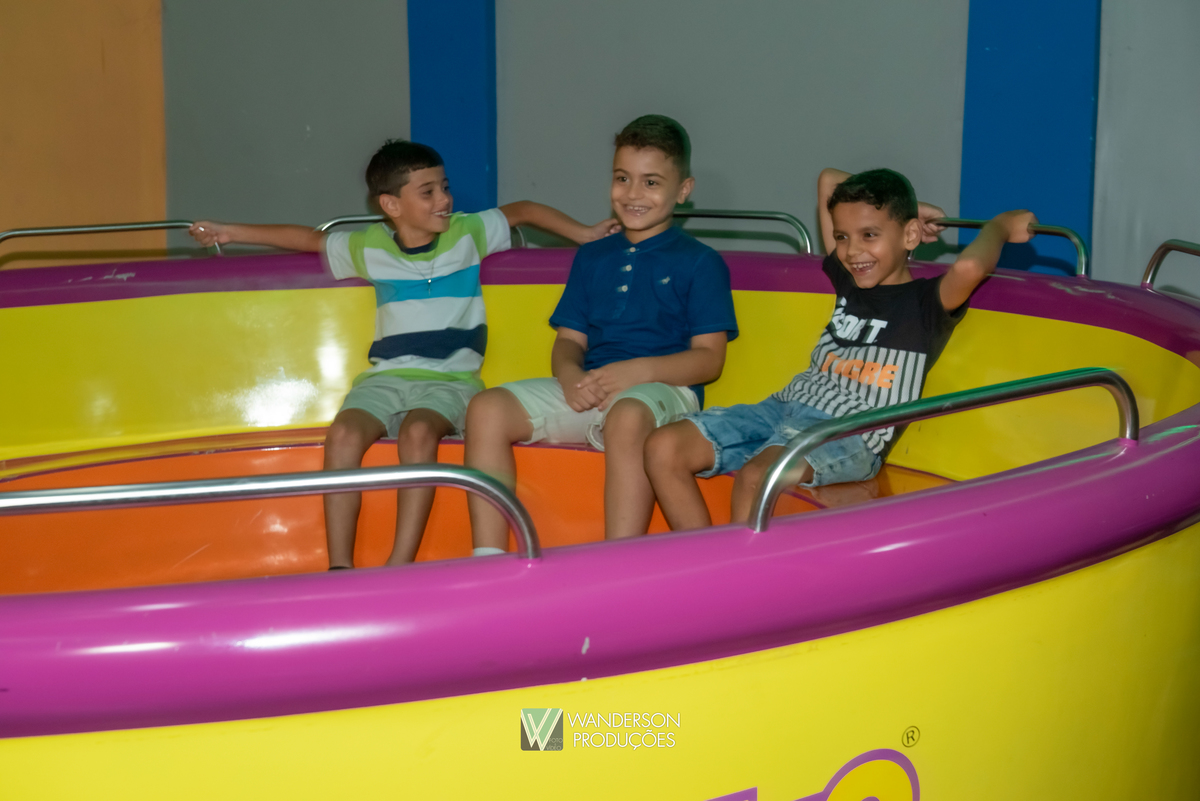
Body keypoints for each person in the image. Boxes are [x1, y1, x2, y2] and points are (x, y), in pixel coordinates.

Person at [189, 139, 617, 568]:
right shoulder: (370, 247)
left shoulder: (467, 234)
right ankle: (339, 567)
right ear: (391, 205)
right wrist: (231, 232)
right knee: (342, 435)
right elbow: (308, 238)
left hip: (450, 381)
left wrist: (584, 233)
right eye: (427, 192)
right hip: (386, 379)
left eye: (444, 187)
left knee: (418, 432)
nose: (444, 199)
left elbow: (523, 209)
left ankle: (400, 563)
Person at [644, 167, 1037, 529]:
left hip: (850, 432)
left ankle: (738, 580)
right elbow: (828, 180)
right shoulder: (849, 280)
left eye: (870, 235)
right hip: (783, 407)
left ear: (910, 236)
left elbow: (969, 269)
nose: (852, 251)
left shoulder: (925, 303)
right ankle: (705, 564)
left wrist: (1000, 225)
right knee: (664, 448)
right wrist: (905, 207)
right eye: (842, 237)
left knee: (757, 477)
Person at [464, 115, 739, 552]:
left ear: (683, 189)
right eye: (622, 178)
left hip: (665, 392)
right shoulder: (593, 257)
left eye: (651, 182)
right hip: (594, 387)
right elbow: (569, 341)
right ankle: (487, 557)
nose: (633, 193)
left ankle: (619, 559)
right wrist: (570, 376)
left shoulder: (701, 262)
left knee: (627, 415)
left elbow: (709, 359)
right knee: (486, 408)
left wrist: (638, 372)